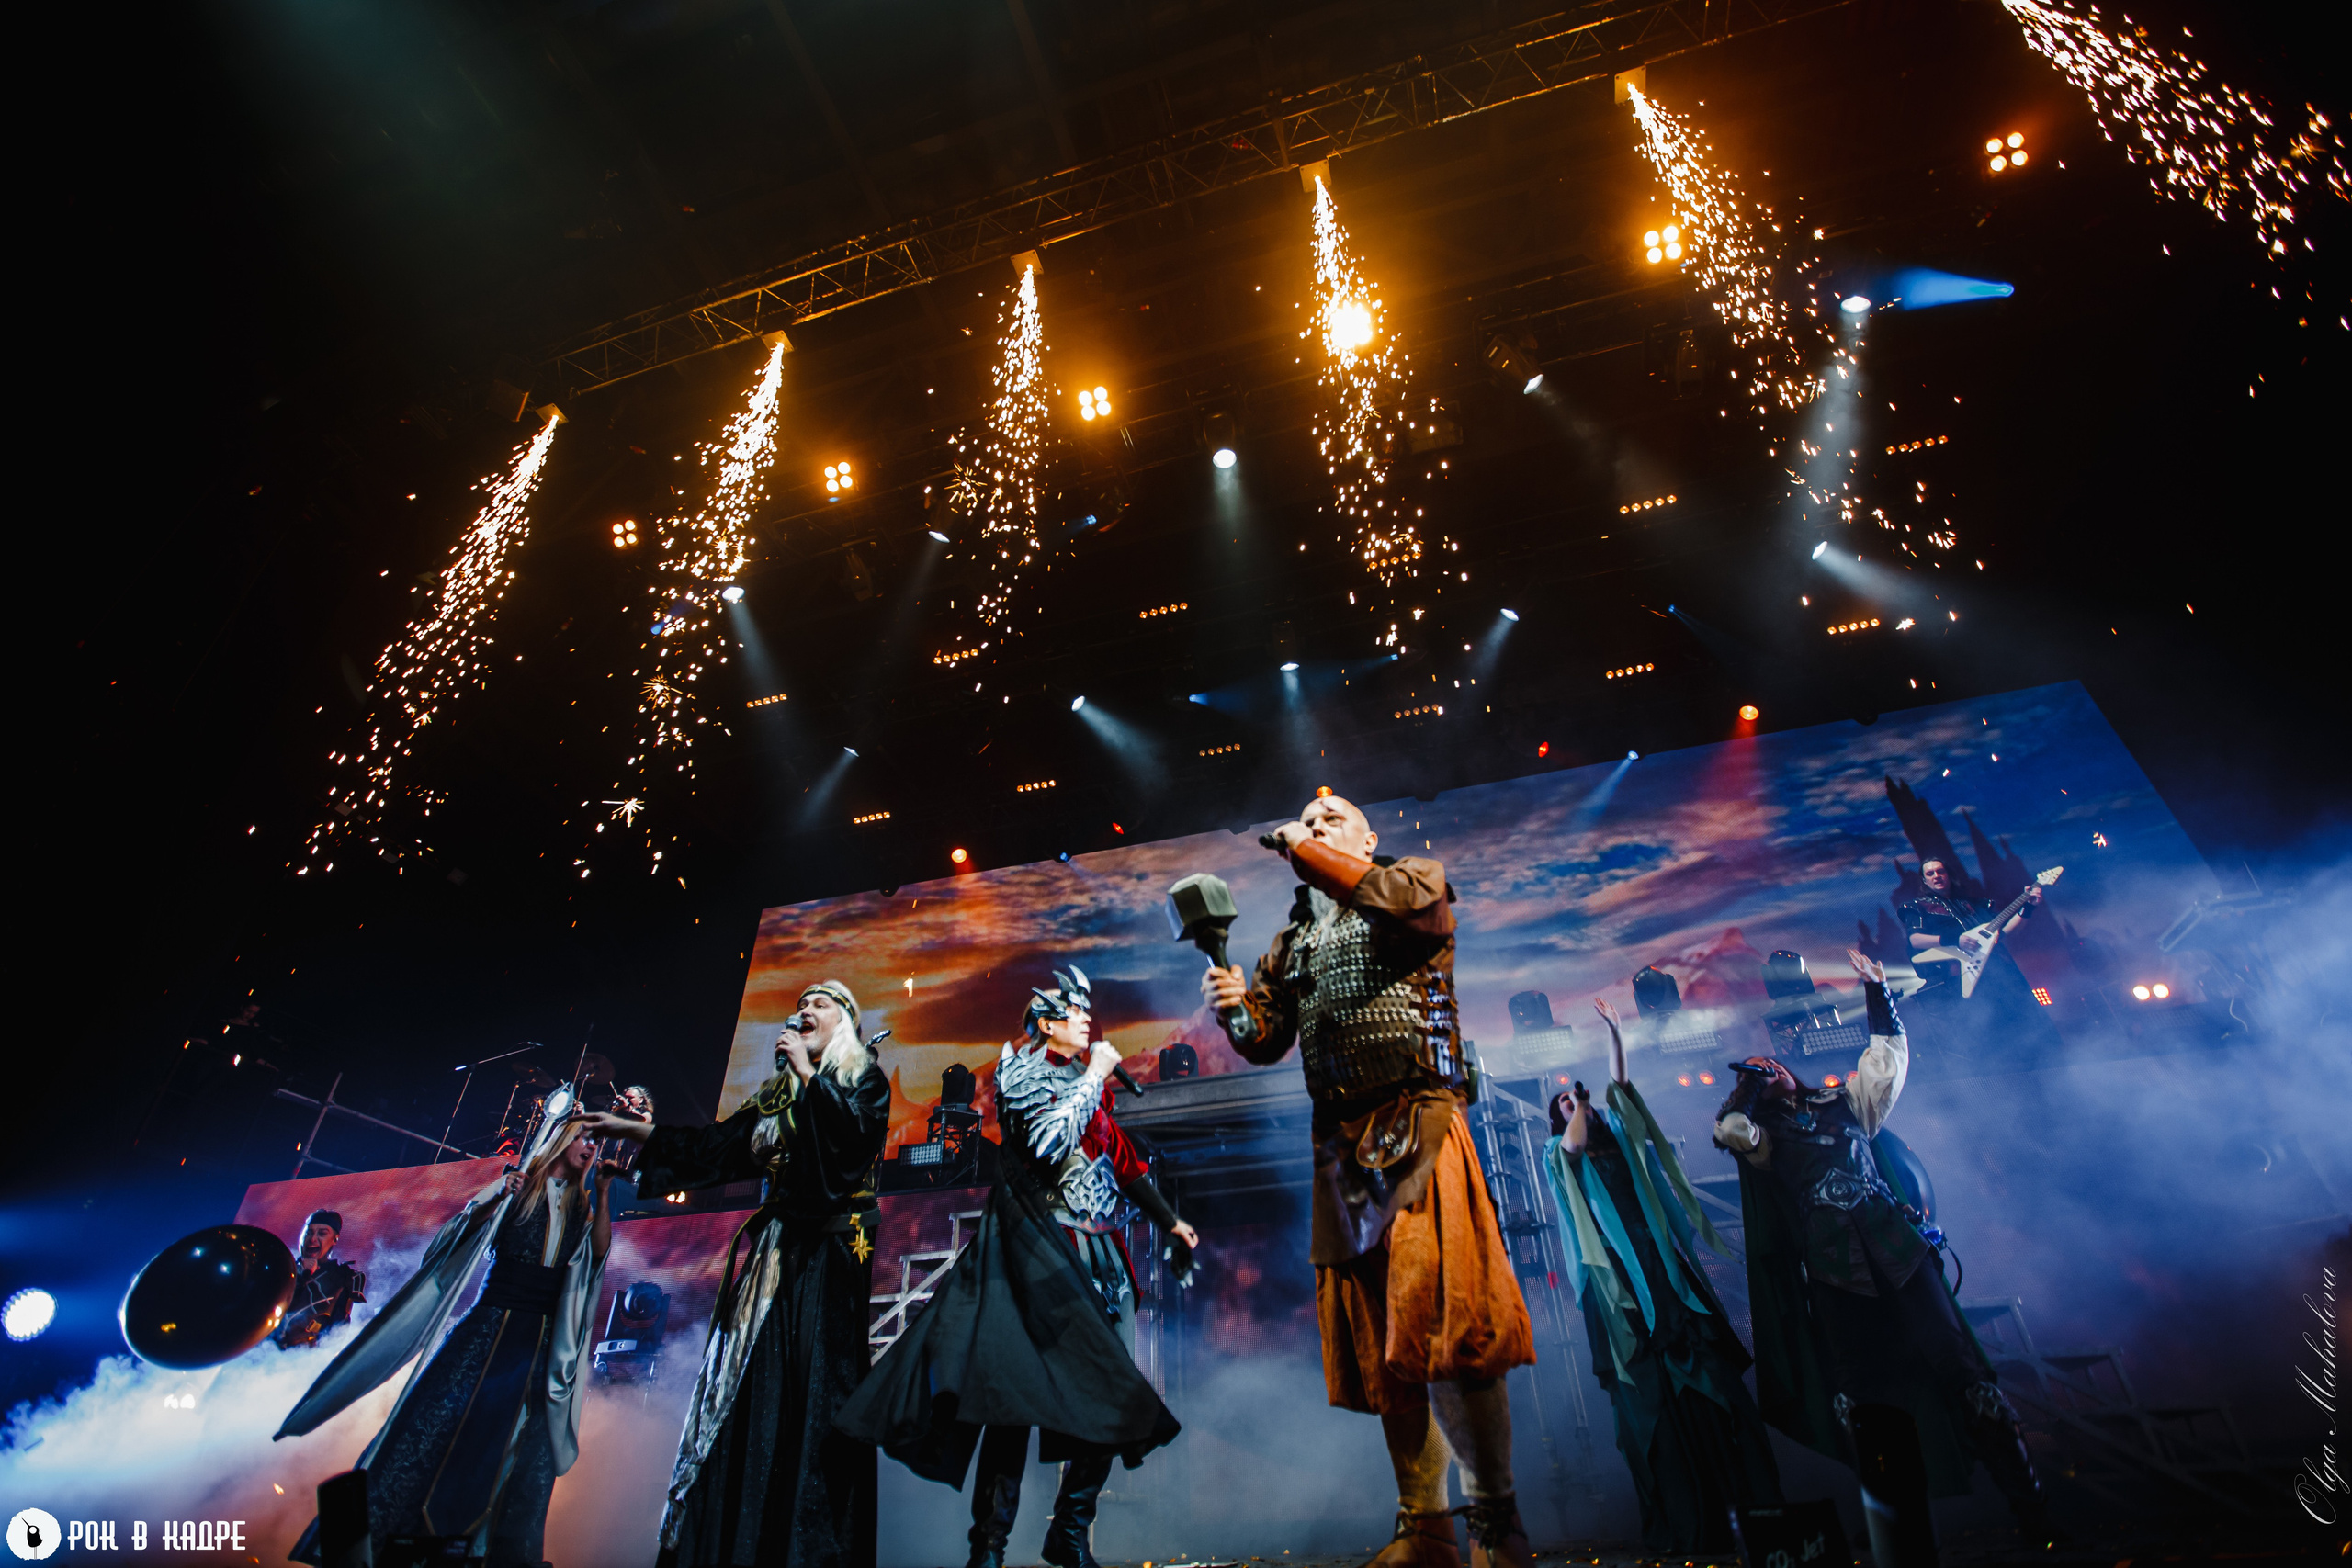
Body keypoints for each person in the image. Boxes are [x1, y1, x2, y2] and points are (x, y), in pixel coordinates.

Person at [1203, 793, 1535, 1568]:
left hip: (1417, 1125)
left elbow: (1381, 893)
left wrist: (1300, 845)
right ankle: (1427, 1529)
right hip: (1342, 1150)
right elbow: (1267, 1037)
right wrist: (1235, 1013)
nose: (1315, 828)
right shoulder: (1292, 943)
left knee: (1451, 1327)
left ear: (1369, 837)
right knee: (1388, 1343)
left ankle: (1497, 1523)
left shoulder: (1412, 883)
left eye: (1332, 821)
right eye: (1308, 824)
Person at [837, 967, 1197, 1568]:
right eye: (1076, 1011)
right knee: (1011, 1403)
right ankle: (990, 1547)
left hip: (1100, 1256)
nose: (1088, 1020)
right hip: (1034, 1254)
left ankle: (1072, 1529)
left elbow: (1124, 1159)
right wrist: (1095, 1074)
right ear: (1049, 1022)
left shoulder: (1096, 1092)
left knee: (1110, 1395)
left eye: (1089, 1011)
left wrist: (1169, 1220)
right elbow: (1049, 1142)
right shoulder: (1021, 1072)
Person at [1713, 951, 2052, 1546]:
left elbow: (1887, 1061)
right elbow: (1731, 1133)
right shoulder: (1766, 1139)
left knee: (1969, 1381)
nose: (1772, 1071)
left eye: (1774, 1064)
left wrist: (1876, 990)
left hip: (1898, 1252)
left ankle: (2034, 1514)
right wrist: (1746, 1088)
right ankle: (1896, 1533)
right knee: (1862, 1404)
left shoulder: (1846, 1105)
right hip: (1835, 1270)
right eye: (1760, 1070)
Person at [575, 982, 890, 1568]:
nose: (805, 1011)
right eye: (802, 1005)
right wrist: (637, 1133)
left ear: (846, 1020)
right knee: (742, 1400)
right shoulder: (777, 1096)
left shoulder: (862, 1081)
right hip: (771, 1263)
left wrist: (807, 1074)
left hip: (824, 1267)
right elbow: (715, 1148)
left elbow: (844, 1155)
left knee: (811, 1403)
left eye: (822, 1004)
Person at [277, 1118, 615, 1565]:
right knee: (427, 1428)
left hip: (540, 1342)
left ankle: (491, 1554)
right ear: (562, 1139)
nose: (591, 1147)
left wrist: (606, 1194)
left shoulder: (581, 1207)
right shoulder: (519, 1188)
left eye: (596, 1142)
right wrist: (495, 1193)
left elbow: (595, 1255)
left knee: (524, 1452)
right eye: (584, 1137)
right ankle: (376, 1546)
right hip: (489, 1326)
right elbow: (457, 1237)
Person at [1544, 1000, 1779, 1553]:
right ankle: (1686, 1526)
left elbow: (1620, 1092)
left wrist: (1616, 1034)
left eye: (1580, 1101)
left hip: (1664, 1276)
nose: (1578, 1106)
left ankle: (1751, 1515)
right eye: (1564, 1104)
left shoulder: (1623, 1142)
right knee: (1654, 1414)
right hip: (1620, 1290)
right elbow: (1574, 1141)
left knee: (1716, 1394)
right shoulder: (1560, 1154)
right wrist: (1574, 1101)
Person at [1901, 858, 2042, 988]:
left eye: (1940, 871)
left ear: (1948, 875)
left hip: (2001, 969)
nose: (1936, 876)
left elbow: (2004, 931)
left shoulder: (1975, 904)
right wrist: (1956, 940)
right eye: (1930, 873)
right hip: (1961, 976)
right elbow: (1915, 940)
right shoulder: (1918, 907)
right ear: (1925, 880)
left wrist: (2028, 907)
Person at [270, 1209, 366, 1349]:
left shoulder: (344, 1277)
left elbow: (338, 1330)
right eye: (308, 1232)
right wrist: (302, 1276)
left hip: (307, 1359)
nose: (313, 1239)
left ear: (335, 1239)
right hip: (265, 1353)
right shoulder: (280, 1270)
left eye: (322, 1233)